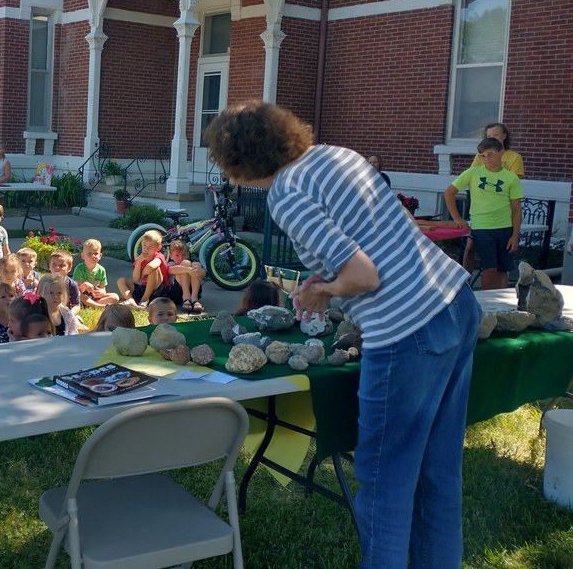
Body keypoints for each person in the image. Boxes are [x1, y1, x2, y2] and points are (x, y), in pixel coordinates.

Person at [204, 99, 479, 569]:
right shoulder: (337, 155)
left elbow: (365, 275)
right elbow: (381, 238)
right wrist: (330, 286)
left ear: (240, 159)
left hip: (407, 329)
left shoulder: (286, 194)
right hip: (454, 301)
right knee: (437, 472)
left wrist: (323, 292)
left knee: (383, 479)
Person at [445, 137, 522, 290]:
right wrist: (457, 218)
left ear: (501, 153)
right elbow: (449, 193)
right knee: (490, 268)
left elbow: (516, 209)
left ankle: (502, 304)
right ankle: (488, 303)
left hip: (504, 228)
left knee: (502, 269)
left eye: (491, 154)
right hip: (482, 228)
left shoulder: (511, 178)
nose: (487, 159)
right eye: (482, 156)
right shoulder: (472, 173)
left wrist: (515, 235)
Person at [462, 122, 525, 271]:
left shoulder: (514, 158)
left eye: (496, 135)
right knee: (470, 247)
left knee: (501, 255)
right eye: (489, 136)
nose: (492, 138)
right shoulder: (481, 156)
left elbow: (510, 185)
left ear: (504, 136)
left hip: (502, 213)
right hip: (481, 210)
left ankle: (498, 284)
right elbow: (472, 178)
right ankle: (466, 280)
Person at [116, 230, 171, 308]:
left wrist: (142, 274)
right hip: (145, 289)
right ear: (141, 244)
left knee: (154, 270)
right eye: (144, 245)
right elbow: (135, 278)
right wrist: (139, 262)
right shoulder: (140, 258)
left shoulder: (159, 256)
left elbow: (151, 267)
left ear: (158, 248)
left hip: (159, 291)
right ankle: (131, 301)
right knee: (121, 281)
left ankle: (144, 300)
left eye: (150, 246)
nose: (146, 249)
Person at [72, 239, 120, 308]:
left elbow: (103, 289)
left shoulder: (101, 270)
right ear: (83, 256)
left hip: (94, 297)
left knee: (115, 297)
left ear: (100, 256)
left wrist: (101, 293)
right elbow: (76, 290)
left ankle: (92, 305)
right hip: (82, 297)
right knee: (78, 294)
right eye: (89, 253)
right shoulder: (79, 268)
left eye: (96, 253)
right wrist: (85, 285)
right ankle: (98, 306)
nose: (93, 256)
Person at [166, 240, 205, 313]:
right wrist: (187, 269)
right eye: (177, 255)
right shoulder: (171, 264)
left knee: (196, 265)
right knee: (185, 264)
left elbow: (204, 274)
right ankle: (186, 297)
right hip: (177, 294)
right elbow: (170, 270)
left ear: (188, 254)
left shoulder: (192, 264)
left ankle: (194, 299)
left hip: (193, 291)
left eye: (183, 255)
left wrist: (198, 271)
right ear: (171, 256)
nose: (180, 258)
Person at [47, 250, 82, 316]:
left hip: (65, 313)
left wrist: (69, 314)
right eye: (54, 265)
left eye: (61, 265)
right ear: (49, 266)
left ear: (69, 268)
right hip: (48, 313)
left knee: (77, 322)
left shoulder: (72, 285)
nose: (57, 268)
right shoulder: (45, 282)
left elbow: (76, 305)